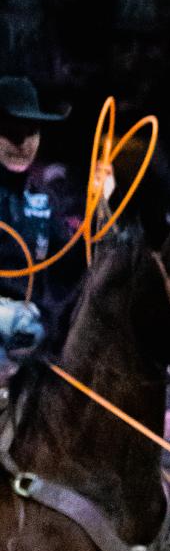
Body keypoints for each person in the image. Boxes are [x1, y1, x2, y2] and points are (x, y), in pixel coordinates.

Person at [0, 74, 69, 369]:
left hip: (33, 328)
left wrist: (101, 203)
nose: (23, 143)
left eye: (32, 131)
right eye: (12, 132)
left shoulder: (44, 200)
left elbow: (71, 265)